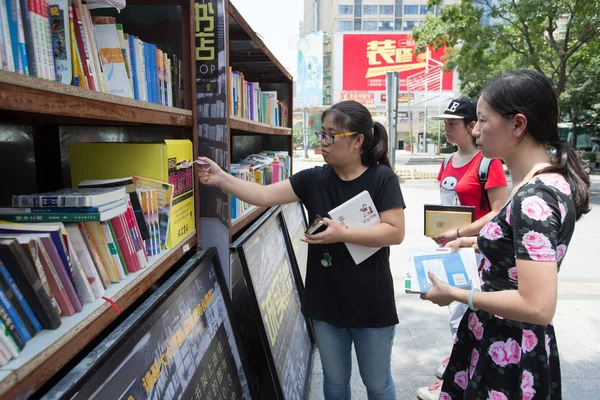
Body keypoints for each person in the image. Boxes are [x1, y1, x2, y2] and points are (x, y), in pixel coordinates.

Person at [197, 100, 406, 400]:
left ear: (358, 140)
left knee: (378, 384)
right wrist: (220, 177)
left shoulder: (381, 178)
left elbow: (395, 231)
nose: (323, 142)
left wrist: (343, 233)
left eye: (331, 136)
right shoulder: (313, 179)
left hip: (372, 302)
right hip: (325, 302)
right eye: (321, 134)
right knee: (334, 383)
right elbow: (263, 194)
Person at [422, 70, 590, 400]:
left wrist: (457, 295)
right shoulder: (534, 185)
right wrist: (472, 241)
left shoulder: (534, 199)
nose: (475, 129)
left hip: (509, 350)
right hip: (502, 339)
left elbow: (537, 305)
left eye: (483, 120)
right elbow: (520, 247)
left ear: (517, 125)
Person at [416, 97, 508, 400]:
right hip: (451, 247)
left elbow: (498, 211)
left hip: (478, 251)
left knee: (465, 312)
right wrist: (439, 232)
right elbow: (445, 208)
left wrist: (460, 234)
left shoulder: (488, 163)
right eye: (445, 122)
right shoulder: (446, 161)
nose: (447, 127)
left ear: (472, 126)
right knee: (457, 313)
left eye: (453, 122)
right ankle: (460, 367)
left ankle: (459, 379)